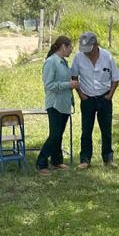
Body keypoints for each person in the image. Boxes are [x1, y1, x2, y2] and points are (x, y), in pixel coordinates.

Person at [70, 32, 119, 169]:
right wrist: (80, 94)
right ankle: (85, 160)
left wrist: (110, 95)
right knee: (86, 130)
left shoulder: (107, 56)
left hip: (104, 97)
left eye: (89, 49)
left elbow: (116, 77)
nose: (86, 52)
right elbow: (74, 77)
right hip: (87, 98)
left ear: (96, 45)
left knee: (106, 130)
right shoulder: (78, 58)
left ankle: (108, 159)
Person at [36, 36, 79, 176]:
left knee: (59, 135)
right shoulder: (51, 62)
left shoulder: (64, 62)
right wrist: (68, 85)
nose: (71, 50)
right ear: (63, 47)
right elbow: (49, 85)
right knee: (54, 135)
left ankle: (56, 160)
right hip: (54, 104)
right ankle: (41, 162)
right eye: (70, 47)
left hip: (64, 104)